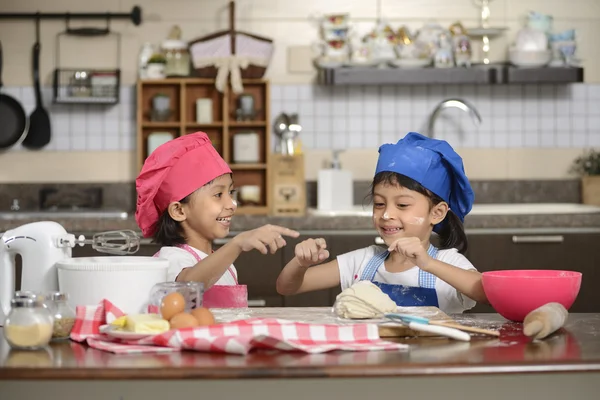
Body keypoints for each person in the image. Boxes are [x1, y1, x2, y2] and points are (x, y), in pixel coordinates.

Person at [276, 132, 487, 314]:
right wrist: (301, 263)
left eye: (402, 205)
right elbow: (287, 287)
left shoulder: (447, 262)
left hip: (429, 359)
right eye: (379, 203)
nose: (386, 214)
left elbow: (485, 292)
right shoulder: (362, 262)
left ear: (437, 213)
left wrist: (428, 264)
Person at [136, 132, 299, 307]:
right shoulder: (172, 259)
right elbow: (187, 287)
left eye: (231, 192)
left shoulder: (224, 264)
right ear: (178, 210)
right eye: (218, 194)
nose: (232, 204)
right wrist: (237, 244)